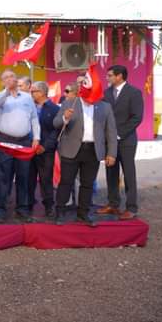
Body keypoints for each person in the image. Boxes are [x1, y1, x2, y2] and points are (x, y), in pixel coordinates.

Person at [54, 90, 117, 226]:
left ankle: (83, 214)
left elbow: (111, 131)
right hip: (71, 149)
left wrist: (111, 153)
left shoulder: (105, 107)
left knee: (87, 184)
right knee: (66, 182)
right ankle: (60, 212)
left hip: (93, 150)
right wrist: (65, 118)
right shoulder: (69, 103)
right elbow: (56, 123)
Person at [0, 69, 40, 223]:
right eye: (5, 77)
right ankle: (0, 209)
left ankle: (23, 209)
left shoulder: (27, 97)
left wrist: (36, 137)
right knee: (3, 177)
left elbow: (34, 118)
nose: (10, 79)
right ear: (2, 82)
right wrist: (7, 90)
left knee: (24, 177)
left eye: (12, 76)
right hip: (5, 141)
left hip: (24, 142)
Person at [99, 64, 144, 220]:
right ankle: (113, 204)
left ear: (119, 76)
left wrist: (119, 134)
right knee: (111, 172)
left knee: (128, 174)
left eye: (110, 75)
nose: (107, 77)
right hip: (108, 141)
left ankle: (131, 208)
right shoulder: (106, 93)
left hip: (126, 141)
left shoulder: (134, 93)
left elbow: (137, 117)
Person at [27, 81, 60, 217]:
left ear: (41, 93)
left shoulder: (54, 109)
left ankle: (49, 207)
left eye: (33, 91)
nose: (31, 94)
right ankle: (27, 205)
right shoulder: (29, 107)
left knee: (46, 179)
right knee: (28, 179)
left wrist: (44, 147)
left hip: (46, 151)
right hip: (29, 149)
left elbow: (56, 131)